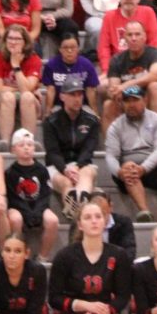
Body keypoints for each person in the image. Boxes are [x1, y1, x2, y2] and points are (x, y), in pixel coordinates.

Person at [48, 200, 133, 314]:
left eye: (98, 217)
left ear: (105, 221)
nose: (94, 221)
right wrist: (84, 305)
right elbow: (54, 298)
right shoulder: (65, 256)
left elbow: (122, 296)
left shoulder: (118, 255)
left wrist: (106, 311)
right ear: (80, 225)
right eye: (88, 217)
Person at [104, 85, 157, 223]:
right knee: (129, 166)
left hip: (153, 167)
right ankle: (144, 212)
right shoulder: (116, 126)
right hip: (128, 171)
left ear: (145, 100)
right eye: (127, 101)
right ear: (122, 103)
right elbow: (111, 155)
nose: (131, 105)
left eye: (135, 100)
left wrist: (144, 168)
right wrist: (119, 172)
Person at [43, 77, 100, 218]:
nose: (77, 99)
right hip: (57, 166)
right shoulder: (51, 122)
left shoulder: (92, 121)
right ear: (62, 96)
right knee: (66, 182)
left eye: (80, 94)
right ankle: (78, 209)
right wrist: (65, 169)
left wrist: (77, 166)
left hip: (83, 164)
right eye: (72, 95)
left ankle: (79, 202)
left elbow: (89, 149)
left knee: (85, 174)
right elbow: (53, 152)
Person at [4, 129, 58, 263]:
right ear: (13, 149)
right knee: (15, 219)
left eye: (29, 145)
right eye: (22, 145)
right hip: (18, 207)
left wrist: (37, 211)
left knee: (52, 220)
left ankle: (43, 256)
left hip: (39, 206)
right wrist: (28, 213)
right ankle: (19, 253)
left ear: (34, 147)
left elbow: (45, 194)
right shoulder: (10, 173)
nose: (26, 148)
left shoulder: (42, 170)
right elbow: (13, 198)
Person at [102, 20, 157, 130]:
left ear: (144, 37)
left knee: (155, 87)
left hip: (147, 100)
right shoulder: (117, 60)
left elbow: (155, 75)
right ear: (124, 38)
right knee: (108, 104)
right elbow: (114, 89)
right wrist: (119, 92)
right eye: (130, 35)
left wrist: (126, 85)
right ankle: (112, 145)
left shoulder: (155, 53)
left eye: (137, 34)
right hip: (126, 101)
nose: (133, 38)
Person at [0, 24, 43, 152]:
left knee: (27, 97)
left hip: (30, 102)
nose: (13, 42)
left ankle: (28, 141)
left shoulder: (34, 59)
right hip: (5, 101)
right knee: (8, 97)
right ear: (5, 40)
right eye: (10, 38)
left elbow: (27, 91)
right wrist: (19, 89)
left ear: (25, 42)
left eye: (17, 39)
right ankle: (5, 143)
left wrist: (16, 65)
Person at [97, 0, 157, 74]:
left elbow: (153, 43)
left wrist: (151, 65)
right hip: (119, 65)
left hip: (143, 65)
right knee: (102, 85)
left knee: (155, 85)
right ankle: (128, 88)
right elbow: (104, 47)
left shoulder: (148, 12)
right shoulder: (109, 16)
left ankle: (130, 88)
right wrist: (106, 70)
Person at [41, 31, 100, 112]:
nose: (69, 51)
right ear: (60, 49)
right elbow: (51, 91)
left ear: (78, 48)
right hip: (59, 106)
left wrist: (95, 113)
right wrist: (47, 113)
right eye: (65, 48)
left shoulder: (87, 65)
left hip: (82, 106)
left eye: (73, 47)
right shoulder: (51, 65)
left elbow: (90, 91)